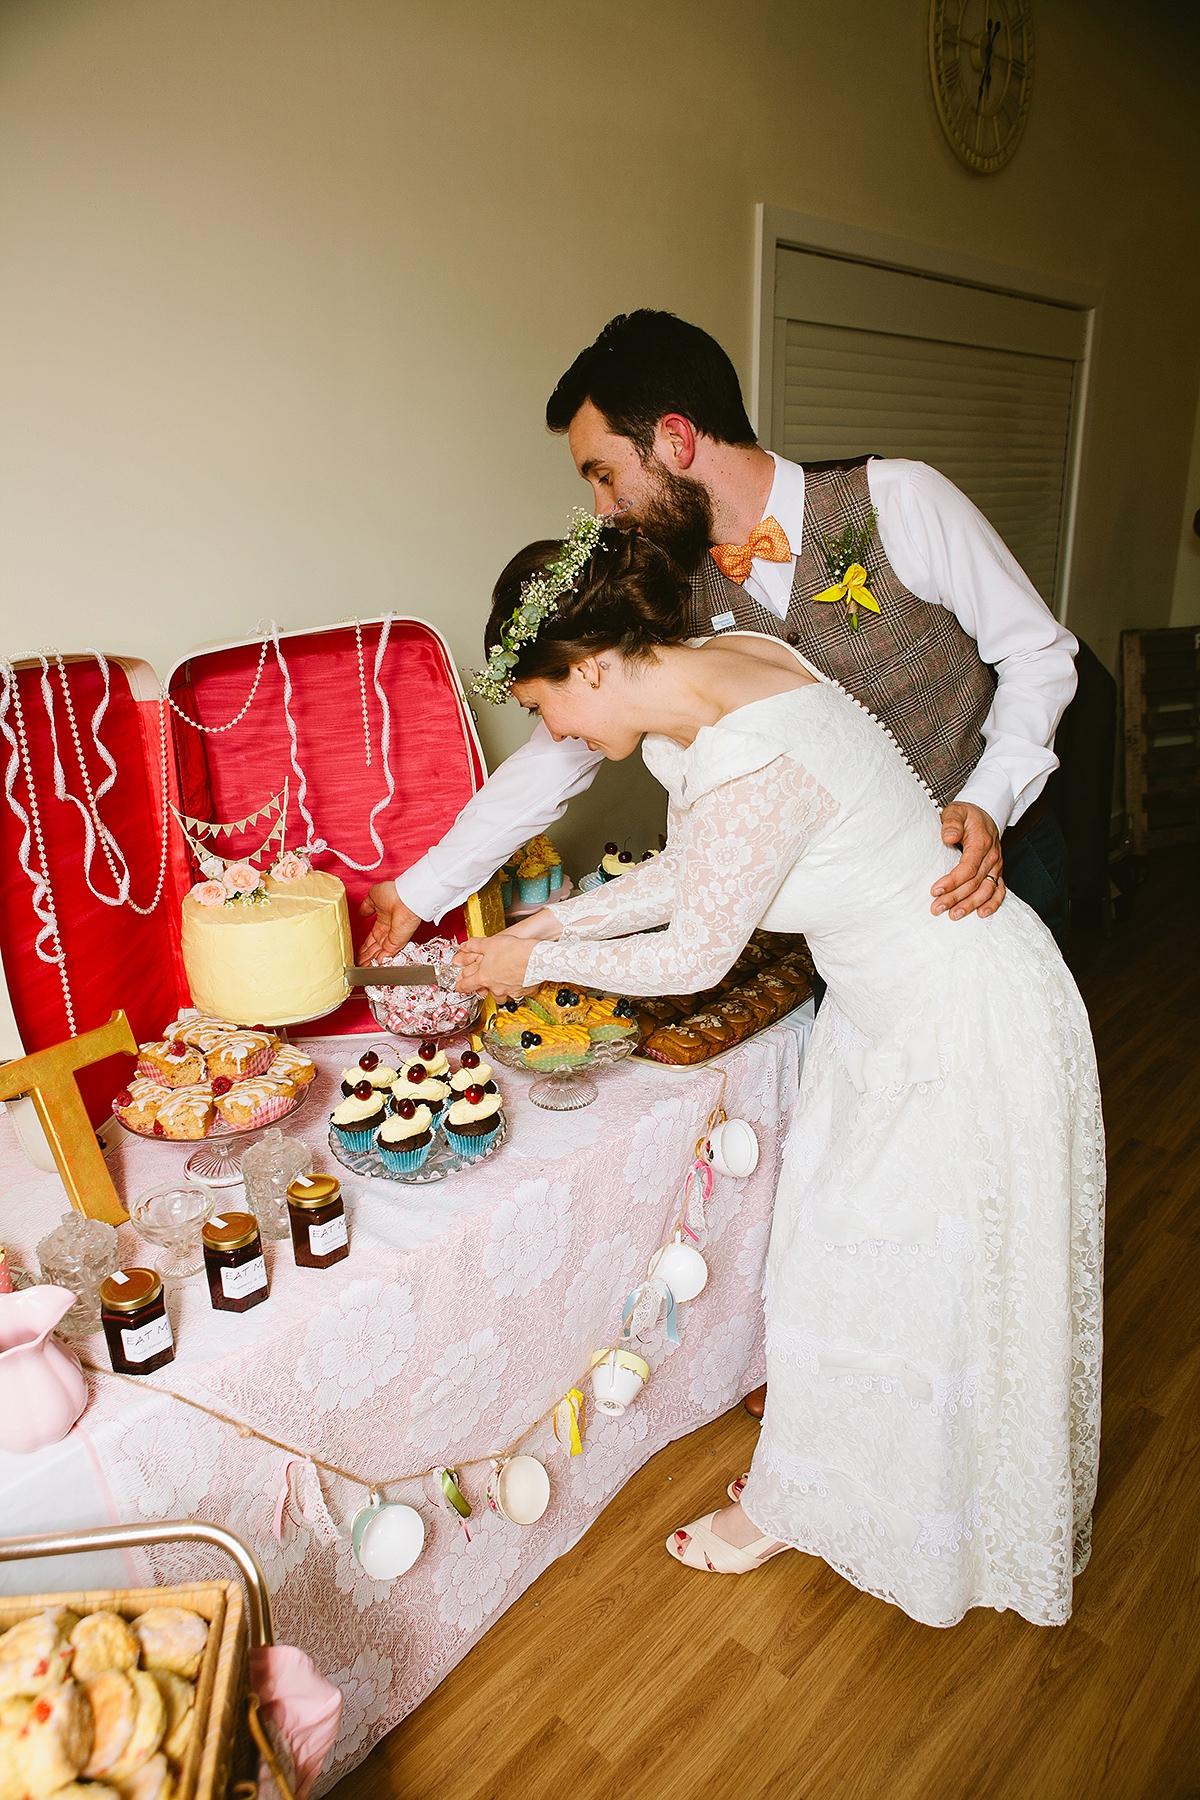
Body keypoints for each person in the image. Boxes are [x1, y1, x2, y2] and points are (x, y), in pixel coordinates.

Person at [453, 517, 1103, 1630]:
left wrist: (535, 956)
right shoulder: (720, 665)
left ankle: (924, 1519)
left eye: (542, 699)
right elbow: (691, 870)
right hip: (886, 1015)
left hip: (960, 1021)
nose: (549, 724)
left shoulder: (748, 748)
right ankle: (822, 1493)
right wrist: (554, 916)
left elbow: (698, 950)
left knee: (921, 1286)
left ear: (594, 666)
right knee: (840, 1269)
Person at [360, 310, 1078, 965]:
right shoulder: (663, 588)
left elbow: (1037, 654)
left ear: (674, 438)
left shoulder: (898, 499)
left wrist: (990, 798)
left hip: (998, 861)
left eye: (606, 477)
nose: (603, 512)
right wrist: (422, 890)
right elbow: (564, 743)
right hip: (847, 926)